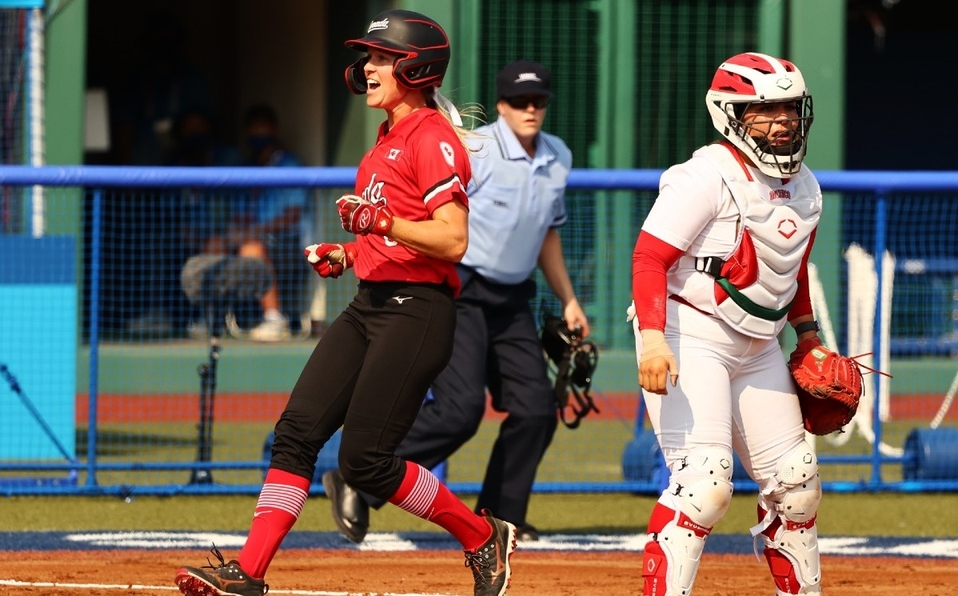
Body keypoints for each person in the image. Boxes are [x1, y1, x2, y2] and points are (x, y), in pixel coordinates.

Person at [174, 10, 517, 596]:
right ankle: (248, 573)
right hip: (370, 303)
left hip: (417, 312)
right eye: (370, 56)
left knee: (365, 463)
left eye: (382, 57)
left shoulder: (430, 135)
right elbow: (393, 239)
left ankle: (482, 536)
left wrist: (381, 220)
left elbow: (453, 239)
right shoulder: (388, 136)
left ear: (415, 66)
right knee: (297, 432)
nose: (369, 66)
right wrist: (350, 253)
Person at [322, 59, 590, 545]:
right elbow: (436, 219)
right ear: (502, 104)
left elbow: (548, 233)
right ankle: (360, 474)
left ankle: (501, 520)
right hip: (462, 288)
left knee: (535, 409)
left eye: (539, 101)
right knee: (460, 410)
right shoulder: (477, 147)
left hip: (512, 298)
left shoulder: (558, 155)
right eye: (519, 101)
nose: (530, 109)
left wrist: (569, 300)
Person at [629, 52, 824, 596]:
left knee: (798, 482)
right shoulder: (705, 175)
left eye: (789, 107)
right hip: (689, 332)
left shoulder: (806, 184)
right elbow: (648, 258)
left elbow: (792, 266)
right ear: (730, 114)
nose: (782, 120)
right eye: (765, 110)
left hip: (760, 344)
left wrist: (808, 336)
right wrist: (649, 338)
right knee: (705, 484)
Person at [231, 104, 310, 342]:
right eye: (253, 129)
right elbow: (239, 214)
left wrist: (253, 231)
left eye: (262, 128)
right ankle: (208, 318)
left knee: (251, 247)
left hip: (288, 245)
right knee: (216, 243)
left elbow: (293, 215)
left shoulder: (289, 164)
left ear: (274, 130)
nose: (257, 134)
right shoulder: (247, 167)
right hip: (253, 237)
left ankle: (274, 317)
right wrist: (233, 232)